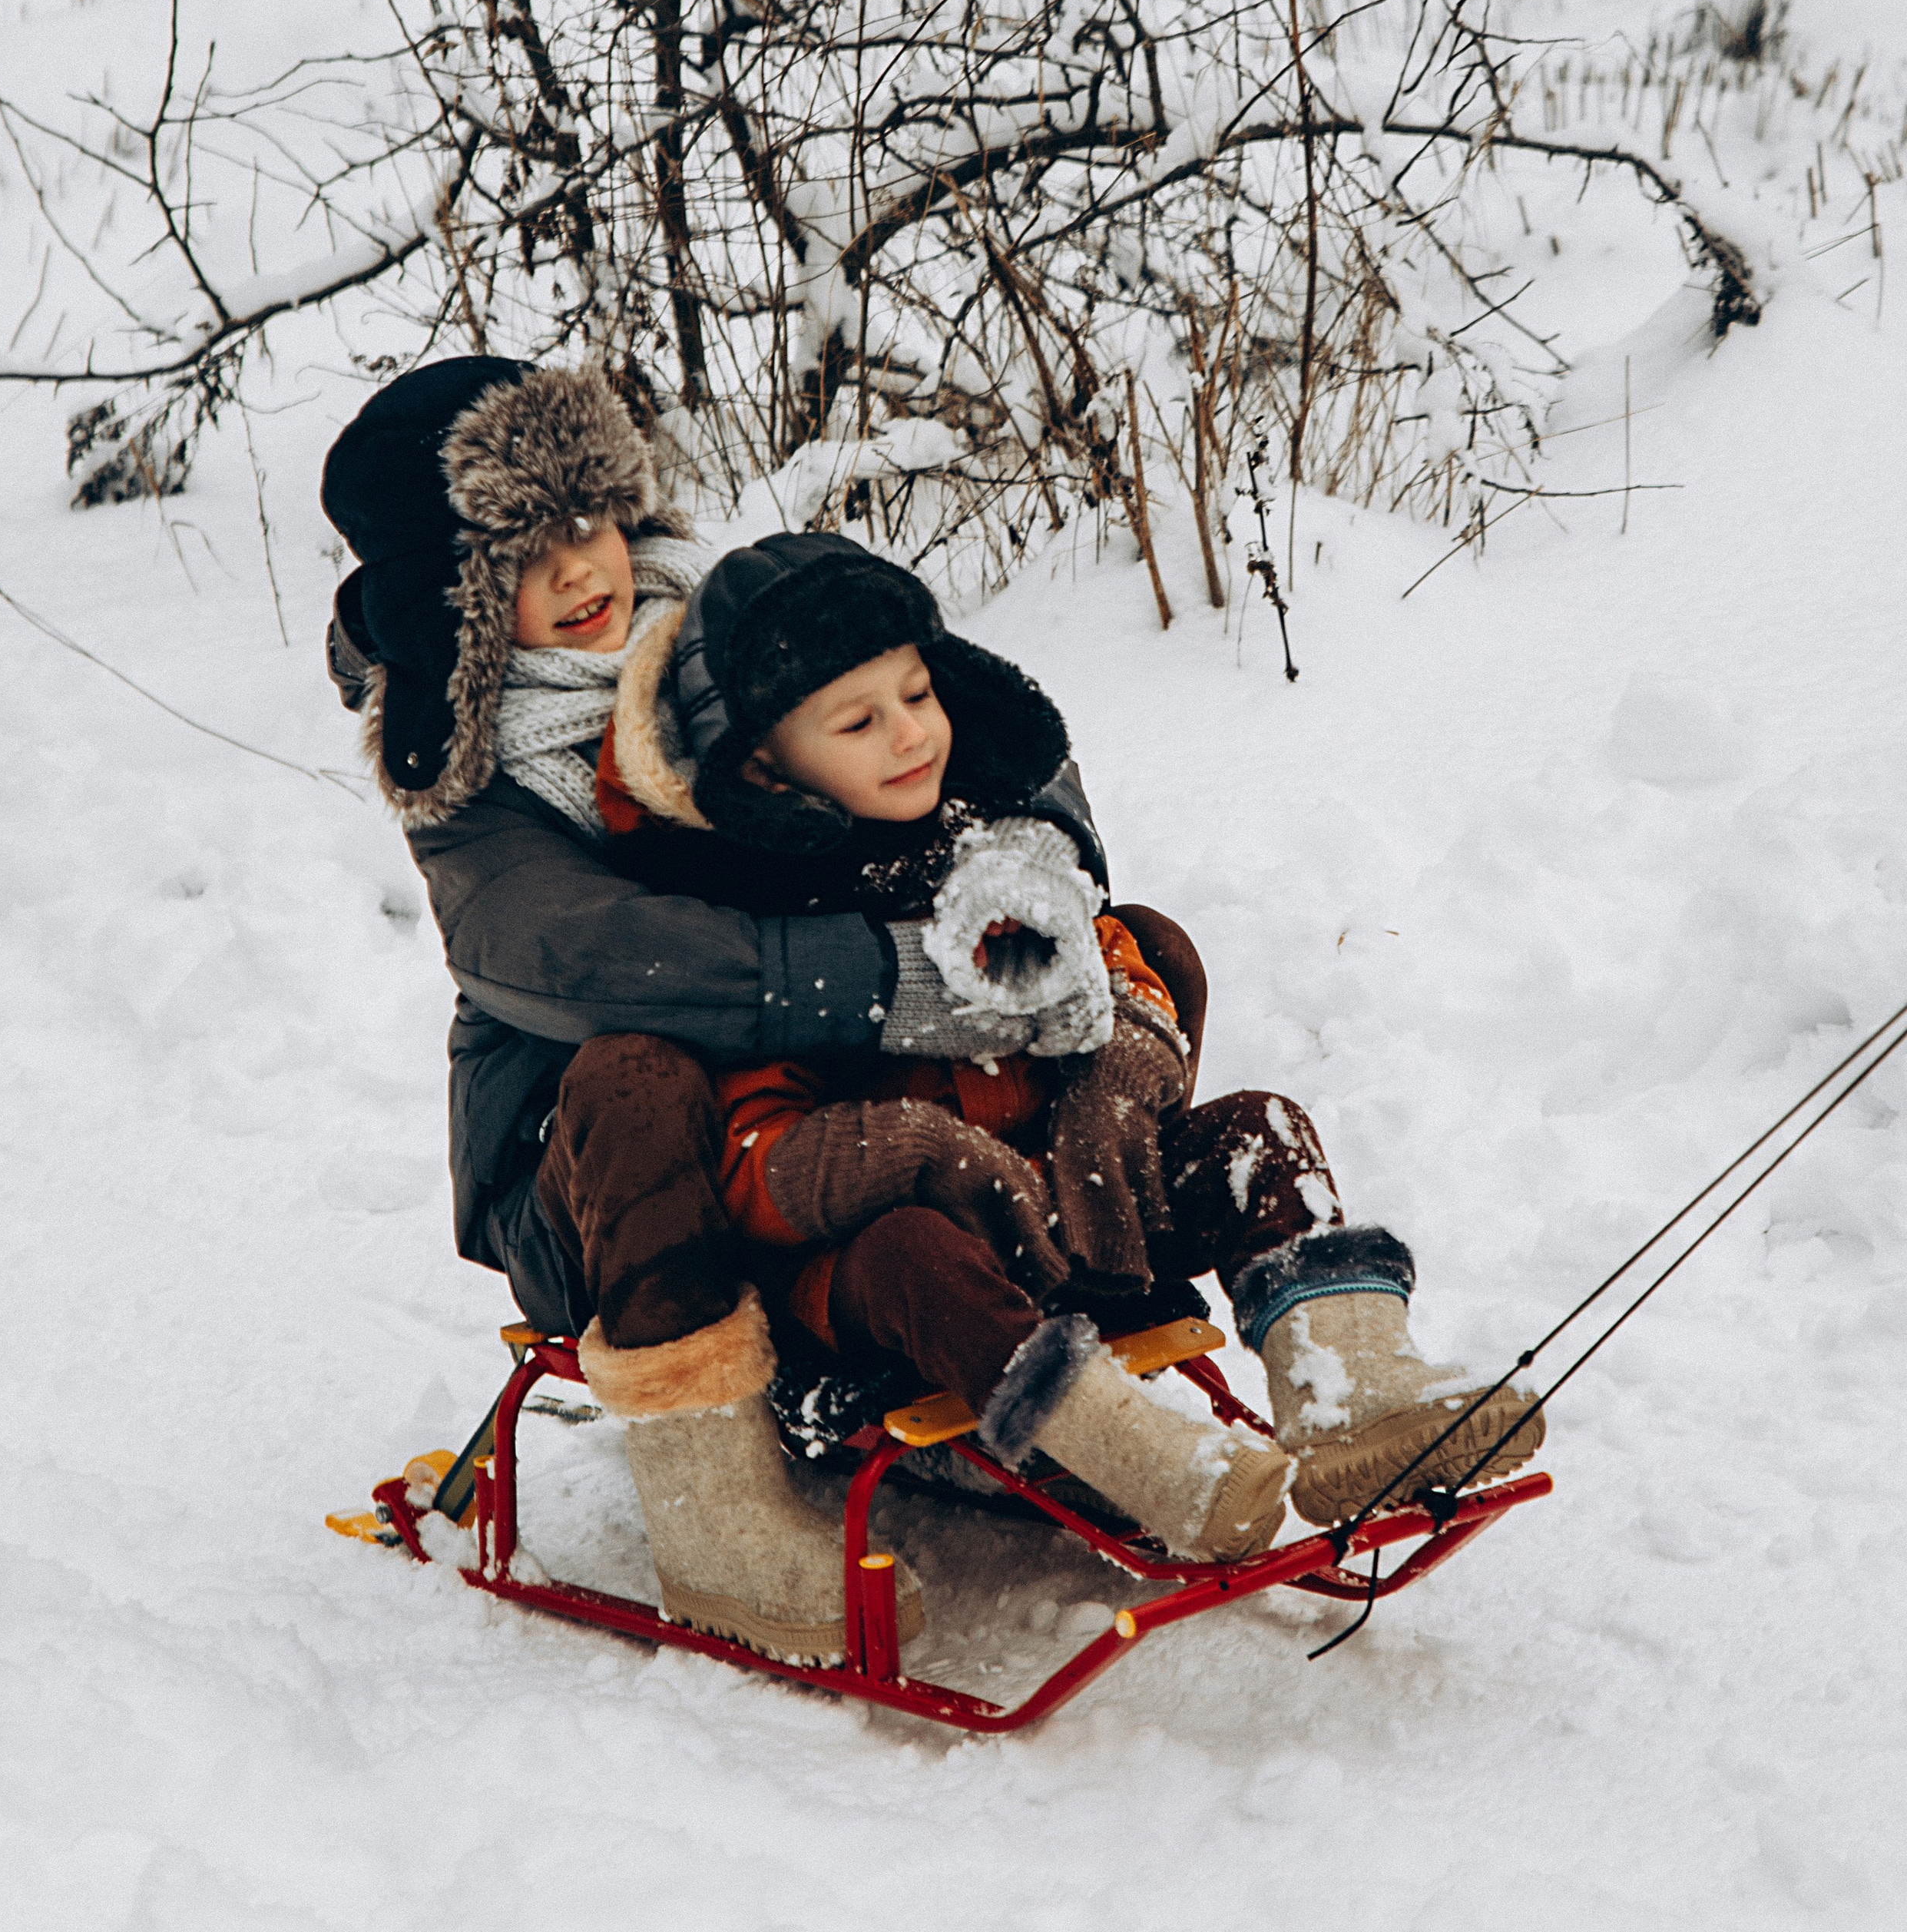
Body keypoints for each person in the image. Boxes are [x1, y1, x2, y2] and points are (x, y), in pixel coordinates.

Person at [321, 359, 1105, 1664]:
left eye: (596, 519)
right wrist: (897, 980)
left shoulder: (719, 620)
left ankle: (1075, 1307)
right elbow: (583, 954)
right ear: (454, 601)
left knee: (1132, 961)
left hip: (799, 1111)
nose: (587, 569)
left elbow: (977, 725)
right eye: (530, 551)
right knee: (639, 1067)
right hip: (592, 1172)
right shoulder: (468, 780)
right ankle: (714, 1505)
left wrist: (1032, 895)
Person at [596, 530, 1547, 1548]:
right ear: (766, 766)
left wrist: (1116, 1082)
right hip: (881, 1299)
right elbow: (747, 1157)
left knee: (1257, 1131)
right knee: (910, 1252)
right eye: (858, 721)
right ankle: (1133, 1455)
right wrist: (911, 1149)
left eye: (919, 694)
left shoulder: (995, 843)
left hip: (1065, 1213)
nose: (909, 734)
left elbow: (1116, 959)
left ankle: (1353, 1389)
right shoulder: (761, 928)